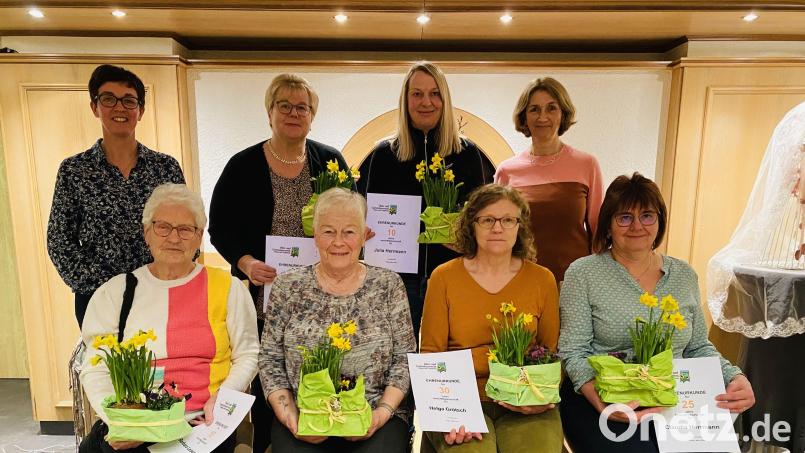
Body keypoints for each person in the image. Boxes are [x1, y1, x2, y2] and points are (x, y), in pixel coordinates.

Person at [558, 172, 756, 452]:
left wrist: (735, 377)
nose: (637, 225)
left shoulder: (684, 275)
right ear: (608, 226)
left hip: (674, 398)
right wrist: (604, 405)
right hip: (602, 396)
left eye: (647, 215)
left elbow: (698, 347)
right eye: (624, 217)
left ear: (659, 220)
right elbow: (574, 352)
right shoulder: (584, 273)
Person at [208, 73, 350, 452]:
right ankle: (271, 445)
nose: (293, 112)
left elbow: (351, 214)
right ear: (269, 112)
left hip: (324, 295)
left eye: (301, 106)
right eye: (283, 105)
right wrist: (246, 261)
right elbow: (218, 227)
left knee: (323, 370)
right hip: (265, 297)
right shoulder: (243, 165)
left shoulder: (331, 161)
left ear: (312, 115)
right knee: (270, 379)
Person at [79, 183, 258, 453]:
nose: (174, 238)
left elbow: (248, 354)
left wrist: (222, 400)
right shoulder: (116, 292)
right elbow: (96, 366)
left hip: (202, 422)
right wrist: (121, 421)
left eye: (186, 229)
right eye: (163, 227)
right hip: (136, 420)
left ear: (199, 238)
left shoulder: (228, 288)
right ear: (146, 232)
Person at [259, 188, 416, 452]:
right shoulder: (287, 286)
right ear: (315, 235)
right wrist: (289, 416)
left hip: (376, 413)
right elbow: (270, 359)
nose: (339, 242)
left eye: (349, 232)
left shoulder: (389, 284)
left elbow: (405, 357)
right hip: (304, 414)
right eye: (329, 231)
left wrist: (382, 413)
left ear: (364, 235)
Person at [420, 184, 562, 452]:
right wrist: (450, 412)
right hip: (458, 398)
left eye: (508, 220)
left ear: (520, 226)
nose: (498, 228)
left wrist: (539, 398)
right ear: (472, 225)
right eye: (487, 220)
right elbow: (431, 358)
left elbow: (550, 353)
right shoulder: (444, 277)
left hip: (526, 398)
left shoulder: (543, 280)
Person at [357, 61, 495, 339]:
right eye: (417, 94)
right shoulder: (383, 155)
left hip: (451, 273)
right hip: (395, 278)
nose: (426, 102)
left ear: (445, 100)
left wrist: (466, 236)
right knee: (397, 354)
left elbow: (483, 216)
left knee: (448, 355)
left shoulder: (468, 154)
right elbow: (361, 212)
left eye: (434, 94)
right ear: (405, 100)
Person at [47, 64, 185, 328]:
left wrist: (175, 277)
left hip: (158, 292)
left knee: (163, 366)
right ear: (95, 107)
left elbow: (187, 226)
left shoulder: (165, 167)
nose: (119, 108)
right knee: (107, 367)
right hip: (97, 297)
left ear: (140, 111)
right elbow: (59, 239)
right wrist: (95, 285)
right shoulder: (74, 170)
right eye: (109, 99)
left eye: (129, 101)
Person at [494, 77, 602, 284]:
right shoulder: (506, 171)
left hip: (574, 282)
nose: (542, 116)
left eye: (551, 108)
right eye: (534, 109)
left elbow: (599, 232)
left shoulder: (587, 164)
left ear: (563, 114)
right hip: (521, 279)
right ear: (524, 117)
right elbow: (499, 233)